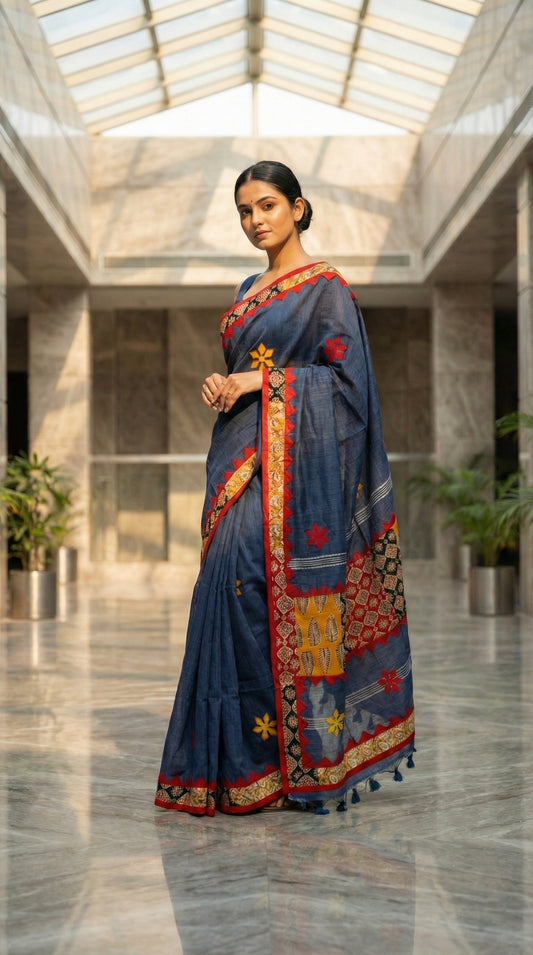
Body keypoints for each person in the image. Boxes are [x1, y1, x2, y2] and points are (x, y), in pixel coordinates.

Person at [155, 160, 415, 816]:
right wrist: (226, 382)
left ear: (298, 208)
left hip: (296, 480)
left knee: (261, 589)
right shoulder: (248, 288)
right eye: (244, 211)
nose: (255, 221)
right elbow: (244, 370)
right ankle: (239, 766)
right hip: (239, 459)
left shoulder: (325, 288)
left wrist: (261, 382)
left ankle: (294, 762)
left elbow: (349, 388)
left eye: (267, 205)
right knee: (224, 592)